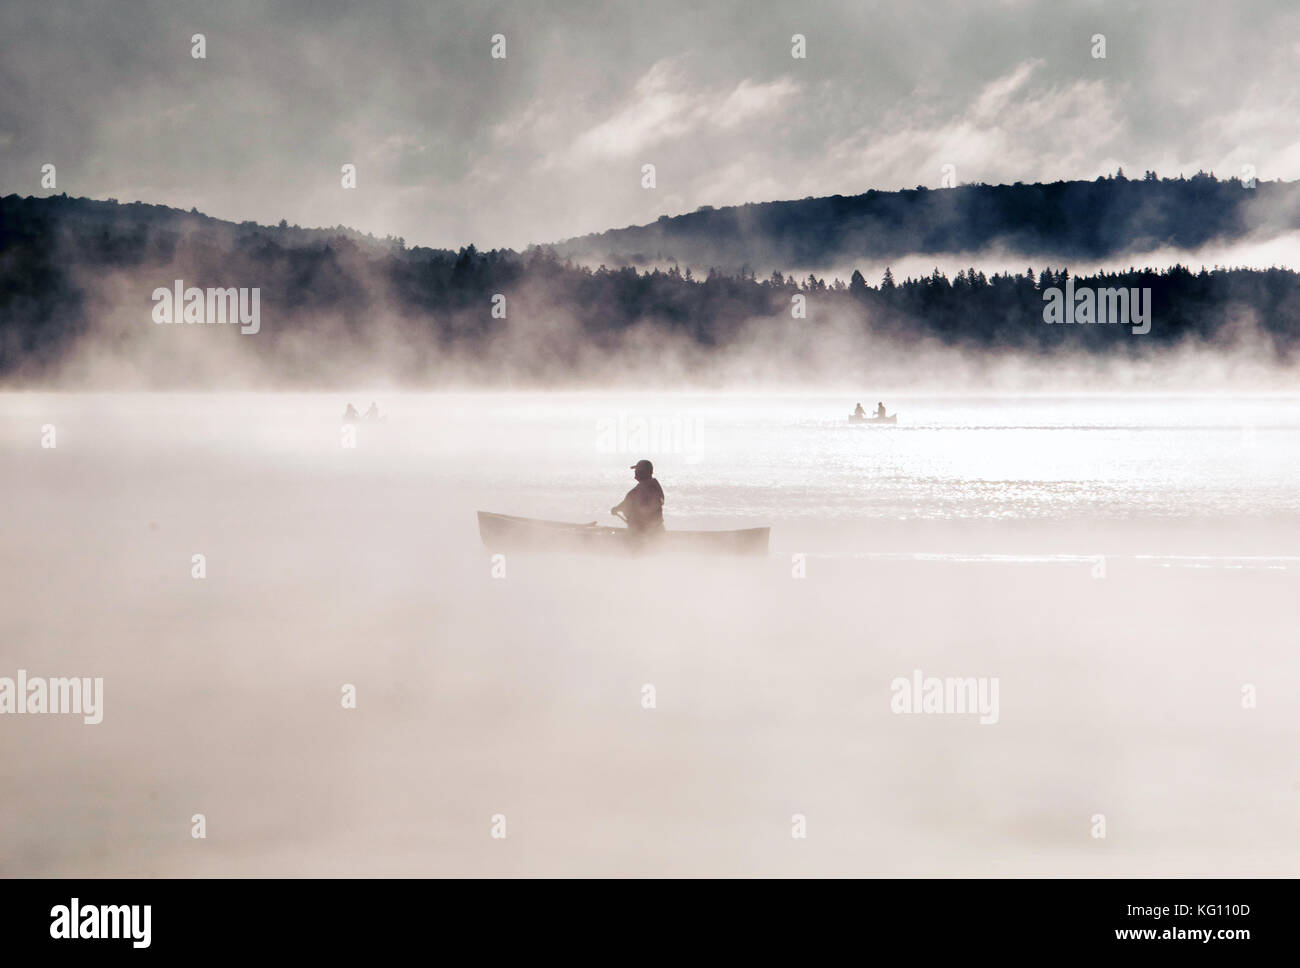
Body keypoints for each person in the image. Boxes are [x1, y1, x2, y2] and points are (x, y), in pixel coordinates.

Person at [612, 459, 665, 534]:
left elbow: (627, 503)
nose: (635, 474)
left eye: (636, 471)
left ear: (642, 472)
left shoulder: (641, 489)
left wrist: (616, 509)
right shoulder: (654, 486)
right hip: (657, 529)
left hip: (643, 532)